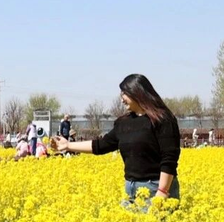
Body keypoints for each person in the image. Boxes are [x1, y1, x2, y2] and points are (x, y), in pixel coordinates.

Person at [51, 74, 181, 204]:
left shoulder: (162, 119)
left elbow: (169, 158)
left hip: (155, 188)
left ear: (136, 92)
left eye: (124, 94)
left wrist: (162, 191)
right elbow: (101, 145)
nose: (121, 100)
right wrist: (67, 145)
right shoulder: (123, 123)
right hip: (131, 189)